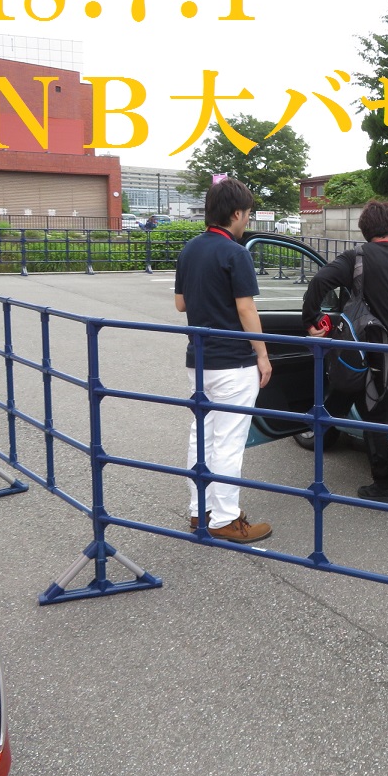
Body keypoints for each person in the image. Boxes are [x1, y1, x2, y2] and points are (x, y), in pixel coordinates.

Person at [301, 201, 388, 503]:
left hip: (374, 350)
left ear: (365, 231)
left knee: (372, 410)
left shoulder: (356, 258)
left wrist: (311, 320)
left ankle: (384, 485)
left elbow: (320, 281)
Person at [173, 176, 273, 543]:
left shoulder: (189, 250)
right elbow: (246, 308)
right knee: (229, 442)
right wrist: (263, 354)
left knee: (201, 436)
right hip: (233, 362)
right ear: (235, 214)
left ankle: (200, 511)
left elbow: (181, 303)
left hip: (199, 360)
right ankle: (226, 519)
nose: (247, 220)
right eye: (247, 213)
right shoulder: (235, 252)